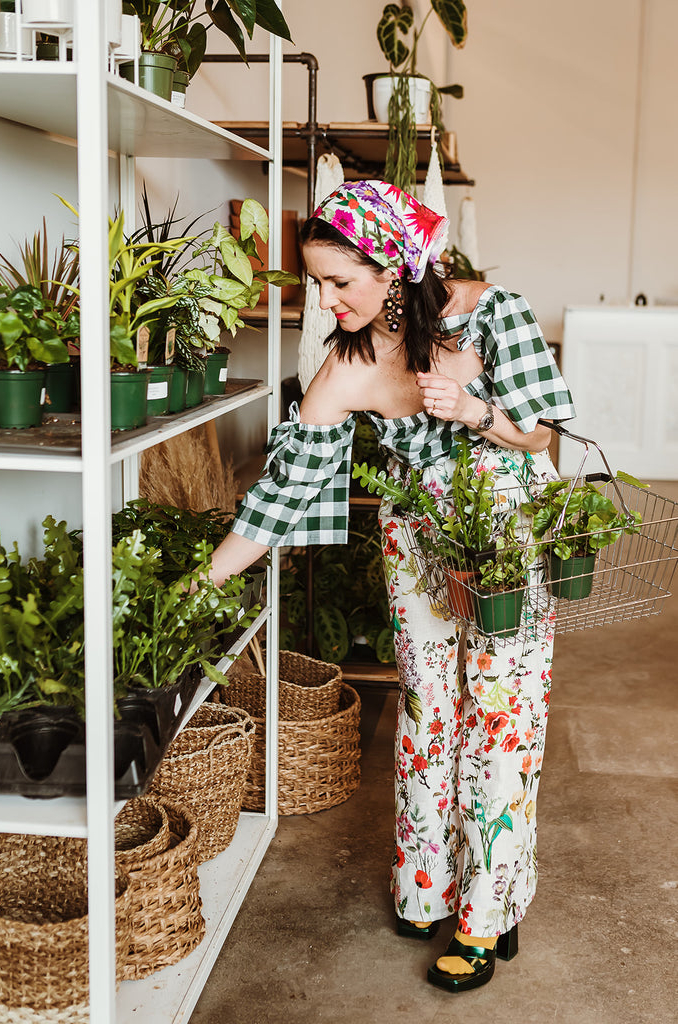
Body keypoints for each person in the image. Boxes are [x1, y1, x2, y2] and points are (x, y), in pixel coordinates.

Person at [208, 180, 576, 993]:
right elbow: (284, 489)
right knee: (425, 709)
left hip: (502, 534)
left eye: (341, 281)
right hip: (414, 541)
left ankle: (488, 912)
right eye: (318, 283)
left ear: (394, 268)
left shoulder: (493, 313)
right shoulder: (345, 366)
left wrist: (477, 412)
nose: (328, 299)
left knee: (501, 717)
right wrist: (204, 579)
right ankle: (425, 883)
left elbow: (542, 431)